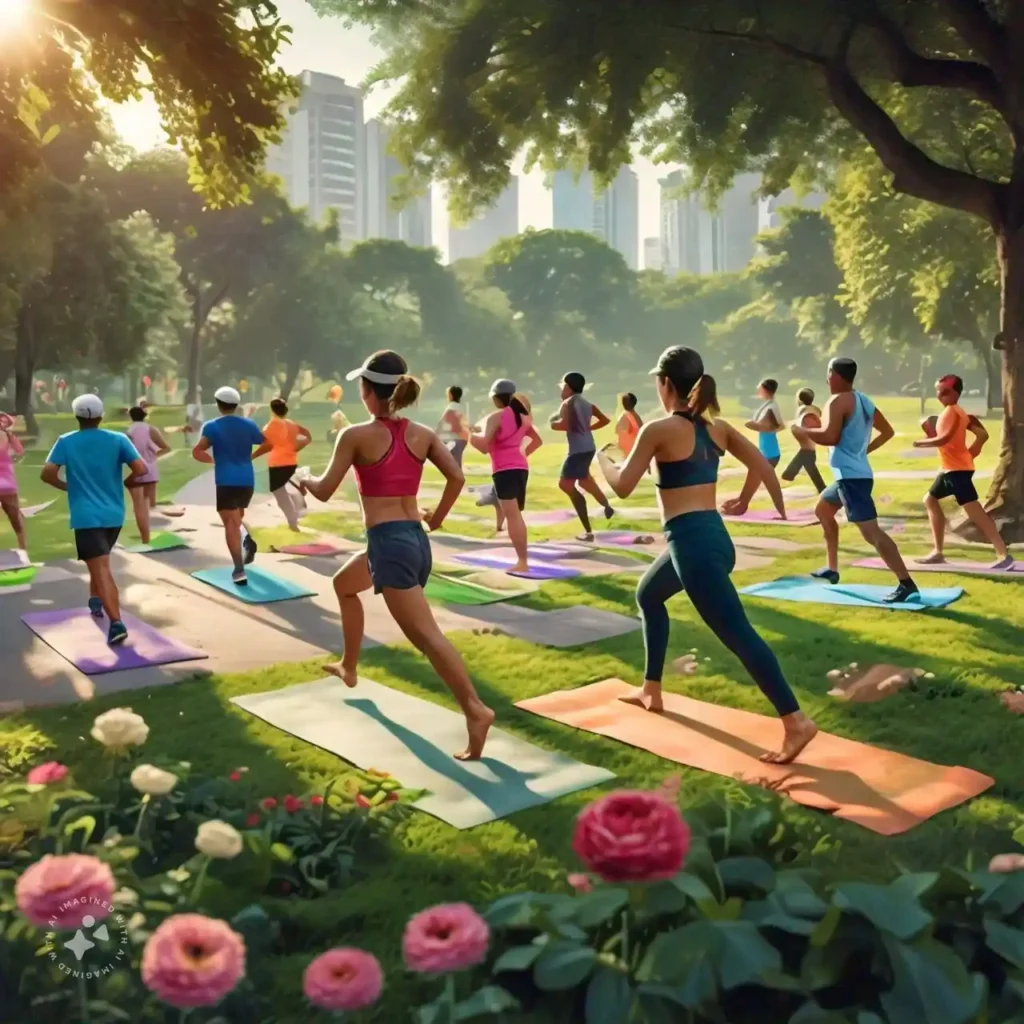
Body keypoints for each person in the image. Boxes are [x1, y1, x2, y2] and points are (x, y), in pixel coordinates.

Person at [596, 346, 816, 764]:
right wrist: (750, 501)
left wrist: (601, 460)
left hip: (692, 547)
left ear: (665, 384)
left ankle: (795, 722)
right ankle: (651, 689)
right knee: (649, 595)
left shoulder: (659, 429)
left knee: (739, 634)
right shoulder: (718, 429)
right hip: (712, 538)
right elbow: (764, 466)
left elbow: (622, 485)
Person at [299, 349, 495, 760]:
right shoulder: (421, 433)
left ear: (369, 392)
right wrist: (437, 517)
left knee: (428, 637)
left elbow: (324, 490)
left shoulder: (354, 436)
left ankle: (476, 710)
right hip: (412, 540)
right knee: (344, 585)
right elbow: (457, 476)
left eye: (361, 387)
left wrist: (304, 479)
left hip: (390, 545)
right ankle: (349, 667)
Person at [793, 357, 920, 603]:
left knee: (872, 533)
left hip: (851, 479)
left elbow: (829, 437)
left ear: (835, 374)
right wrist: (863, 452)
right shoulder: (863, 400)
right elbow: (888, 431)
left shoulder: (837, 401)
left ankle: (906, 584)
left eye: (828, 373)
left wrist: (803, 431)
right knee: (823, 509)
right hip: (852, 475)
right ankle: (832, 569)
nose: (826, 378)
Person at [41, 395, 148, 645]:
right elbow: (141, 469)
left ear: (76, 416)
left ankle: (117, 623)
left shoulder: (66, 442)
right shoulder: (118, 439)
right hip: (114, 515)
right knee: (99, 563)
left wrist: (68, 486)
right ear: (100, 416)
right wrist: (128, 482)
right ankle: (95, 600)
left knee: (100, 567)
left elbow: (47, 474)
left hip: (86, 516)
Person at [913, 374, 1012, 568]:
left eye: (946, 392)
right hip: (950, 469)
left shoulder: (953, 412)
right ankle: (938, 552)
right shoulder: (951, 412)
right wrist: (969, 454)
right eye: (939, 392)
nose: (941, 395)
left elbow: (943, 439)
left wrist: (920, 442)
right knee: (930, 499)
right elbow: (982, 435)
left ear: (956, 393)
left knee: (976, 514)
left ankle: (1003, 555)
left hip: (957, 471)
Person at [192, 386, 265, 586]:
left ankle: (239, 569)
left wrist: (211, 461)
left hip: (226, 480)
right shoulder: (249, 424)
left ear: (218, 404)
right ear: (236, 404)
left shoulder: (212, 426)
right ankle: (247, 540)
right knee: (237, 517)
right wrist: (252, 456)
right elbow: (267, 443)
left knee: (231, 524)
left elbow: (198, 450)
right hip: (247, 480)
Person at [470, 380, 543, 574]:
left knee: (513, 517)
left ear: (495, 398)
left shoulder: (497, 417)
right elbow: (537, 441)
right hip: (520, 468)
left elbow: (484, 446)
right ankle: (522, 560)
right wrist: (522, 455)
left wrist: (469, 436)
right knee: (515, 515)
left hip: (504, 470)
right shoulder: (523, 417)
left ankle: (522, 562)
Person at [550, 371, 614, 541]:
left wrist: (552, 424)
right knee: (585, 480)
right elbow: (605, 420)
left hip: (577, 450)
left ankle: (588, 531)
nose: (561, 390)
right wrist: (588, 429)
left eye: (563, 386)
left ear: (568, 387)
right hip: (588, 447)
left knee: (565, 485)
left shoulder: (567, 403)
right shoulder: (587, 403)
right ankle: (607, 506)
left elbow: (564, 425)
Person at [252, 398, 312, 532]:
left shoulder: (273, 425)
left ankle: (293, 520)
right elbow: (307, 435)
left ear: (272, 409)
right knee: (282, 491)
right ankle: (297, 501)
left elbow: (267, 445)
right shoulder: (291, 423)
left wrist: (252, 456)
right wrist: (299, 446)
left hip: (278, 463)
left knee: (279, 493)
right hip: (291, 462)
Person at [125, 406, 171, 544]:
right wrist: (153, 457)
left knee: (138, 506)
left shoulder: (129, 432)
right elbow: (166, 447)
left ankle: (145, 538)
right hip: (151, 470)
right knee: (146, 504)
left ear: (131, 417)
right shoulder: (151, 429)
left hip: (136, 469)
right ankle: (146, 536)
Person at [781, 388, 827, 493]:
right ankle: (821, 487)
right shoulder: (815, 409)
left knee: (807, 455)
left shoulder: (803, 409)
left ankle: (789, 474)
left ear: (800, 399)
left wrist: (794, 427)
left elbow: (802, 423)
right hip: (810, 439)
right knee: (809, 463)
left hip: (807, 439)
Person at [0, 412, 27, 553]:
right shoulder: (8, 437)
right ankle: (23, 551)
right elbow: (20, 452)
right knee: (16, 519)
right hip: (7, 485)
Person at [746, 378, 784, 468]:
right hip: (766, 452)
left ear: (765, 390)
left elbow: (781, 425)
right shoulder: (769, 405)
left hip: (770, 454)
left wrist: (769, 429)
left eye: (760, 389)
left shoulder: (771, 407)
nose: (758, 391)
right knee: (764, 480)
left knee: (763, 478)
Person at [437, 386, 470, 468]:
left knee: (453, 465)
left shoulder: (451, 408)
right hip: (461, 438)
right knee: (455, 463)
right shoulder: (461, 407)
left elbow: (452, 424)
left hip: (453, 438)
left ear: (450, 395)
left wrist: (436, 432)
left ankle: (457, 479)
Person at [615, 392, 643, 458]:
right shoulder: (635, 416)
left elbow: (619, 430)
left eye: (624, 400)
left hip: (631, 451)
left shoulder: (627, 416)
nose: (622, 402)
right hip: (632, 450)